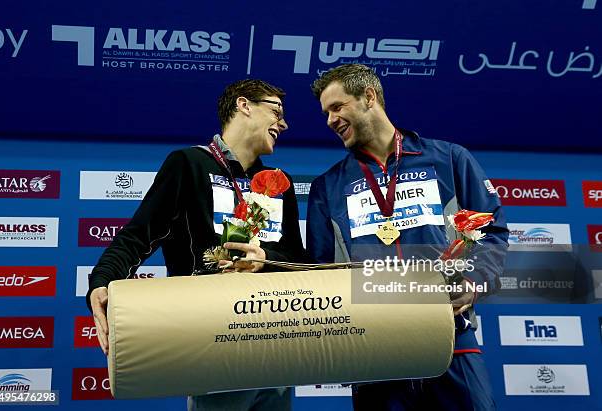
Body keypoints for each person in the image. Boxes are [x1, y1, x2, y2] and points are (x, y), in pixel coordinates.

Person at [87, 79, 306, 411]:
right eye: (276, 110)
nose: (284, 123)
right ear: (244, 105)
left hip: (275, 340)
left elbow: (297, 259)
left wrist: (266, 258)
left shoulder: (278, 183)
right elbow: (137, 236)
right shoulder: (189, 164)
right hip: (215, 337)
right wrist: (101, 281)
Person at [307, 64, 509, 410]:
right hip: (373, 347)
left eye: (337, 107)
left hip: (449, 335)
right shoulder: (328, 186)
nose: (330, 120)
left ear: (369, 97)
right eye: (325, 113)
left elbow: (492, 231)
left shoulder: (448, 159)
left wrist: (474, 280)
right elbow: (321, 270)